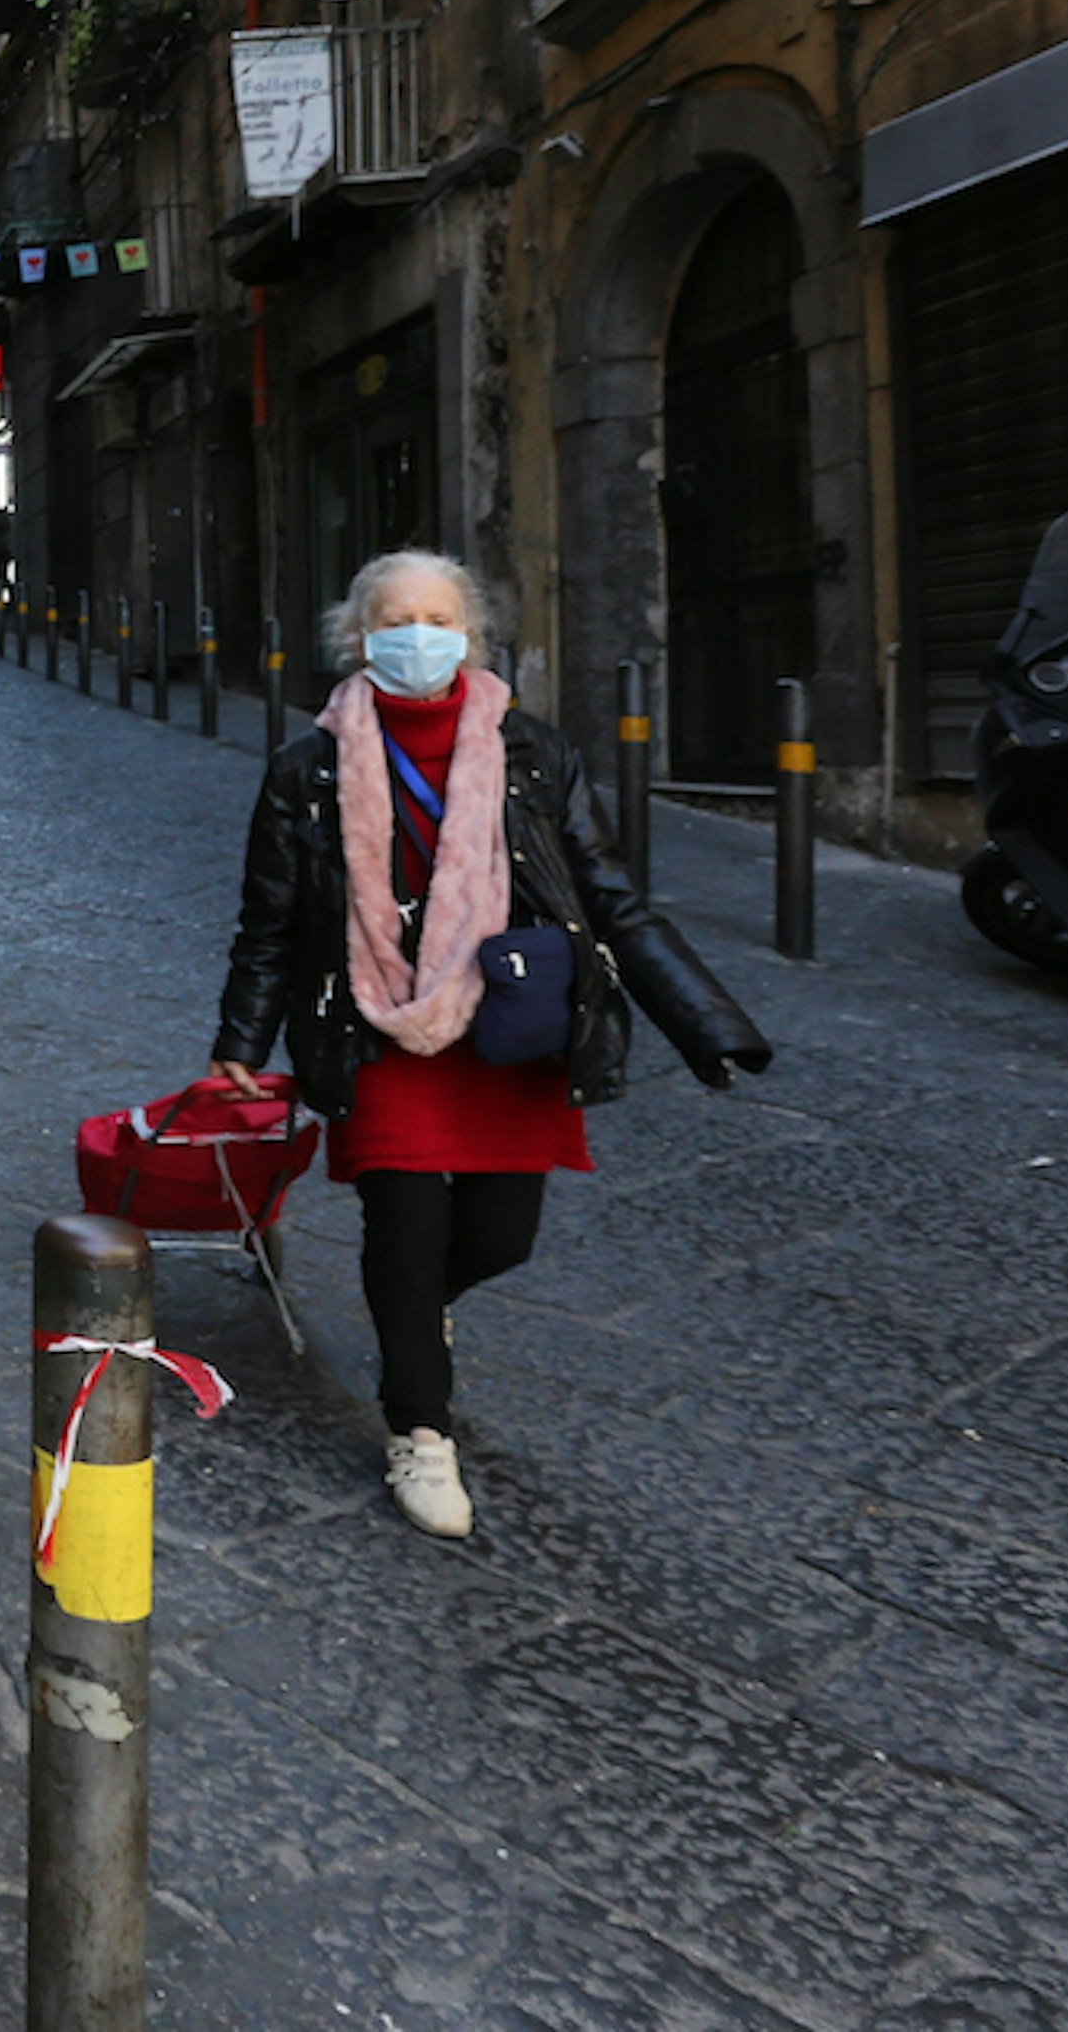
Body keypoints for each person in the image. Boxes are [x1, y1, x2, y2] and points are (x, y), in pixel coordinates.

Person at [208, 552, 768, 1538]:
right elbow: (270, 924)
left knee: (502, 1234)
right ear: (359, 635)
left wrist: (704, 1018)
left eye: (436, 616)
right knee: (405, 1230)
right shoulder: (308, 768)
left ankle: (417, 1311)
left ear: (468, 634)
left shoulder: (532, 750)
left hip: (510, 1025)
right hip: (376, 1018)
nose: (417, 634)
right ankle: (419, 1427)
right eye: (396, 618)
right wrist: (239, 1040)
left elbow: (609, 898)